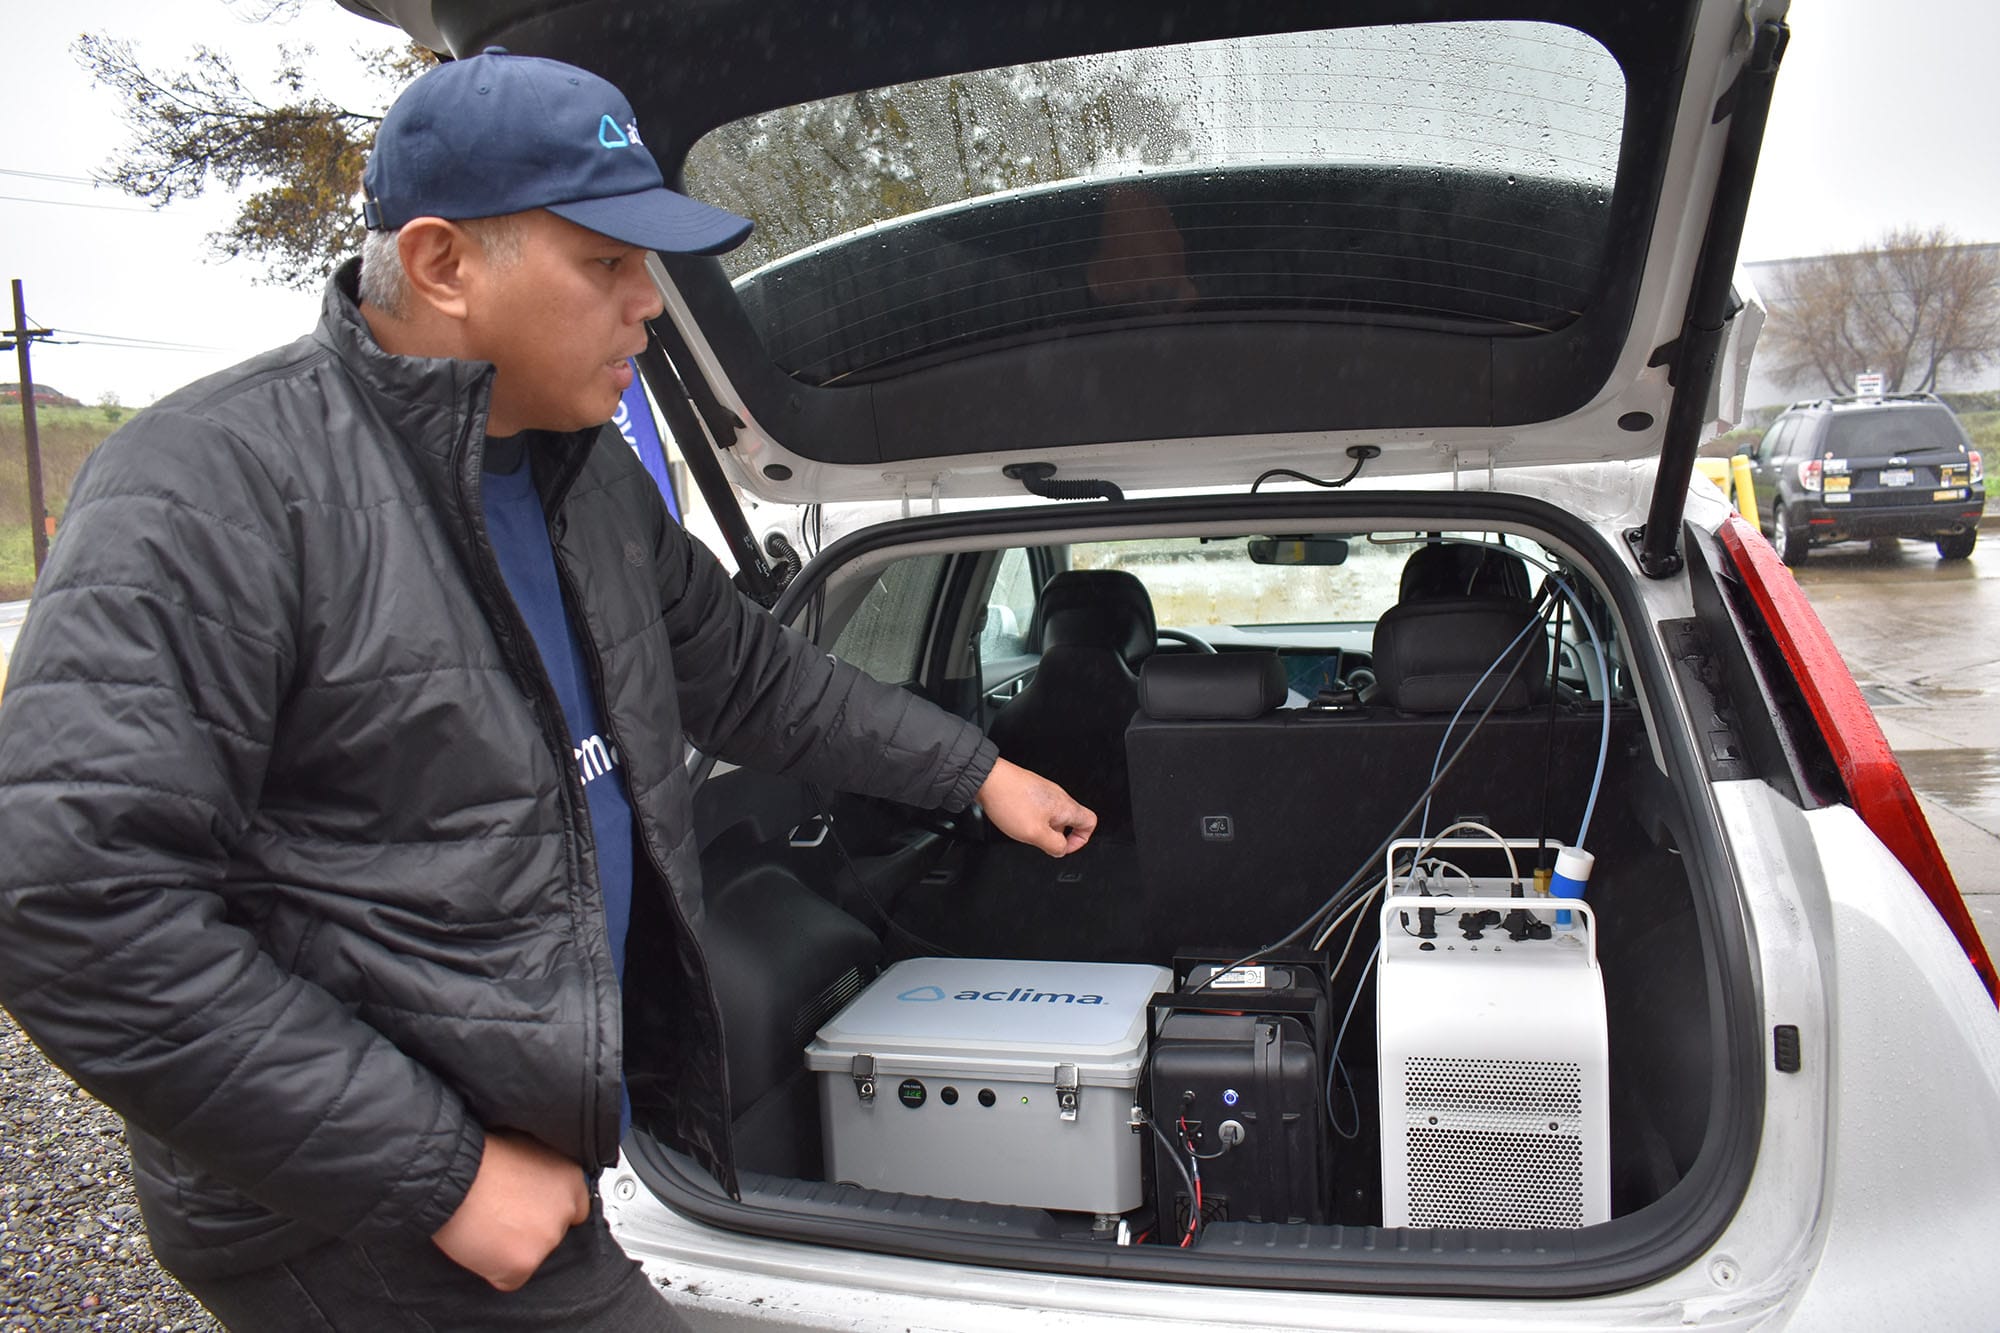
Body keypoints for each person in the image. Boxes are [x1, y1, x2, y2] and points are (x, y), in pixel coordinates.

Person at [0, 49, 1095, 1331]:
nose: (651, 305)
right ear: (443, 264)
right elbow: (69, 901)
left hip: (532, 1153)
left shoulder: (586, 479)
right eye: (607, 264)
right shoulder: (211, 487)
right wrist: (442, 1174)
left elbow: (754, 679)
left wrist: (978, 771)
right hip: (362, 1212)